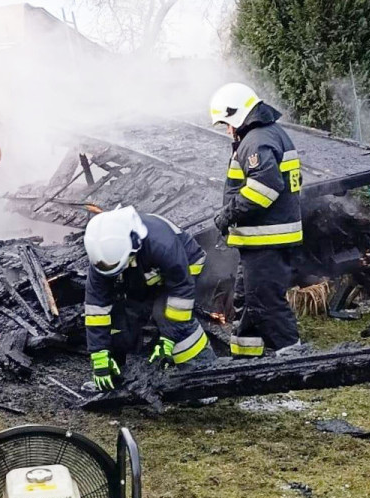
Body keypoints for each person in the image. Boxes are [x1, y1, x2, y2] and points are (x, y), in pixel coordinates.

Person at [211, 83, 303, 357]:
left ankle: (292, 357)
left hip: (267, 238)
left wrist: (227, 214)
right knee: (247, 299)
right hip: (262, 239)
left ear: (237, 114)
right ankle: (245, 356)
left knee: (265, 300)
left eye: (227, 123)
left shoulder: (256, 141)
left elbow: (264, 188)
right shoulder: (267, 135)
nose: (228, 130)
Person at [83, 206, 215, 391]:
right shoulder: (102, 256)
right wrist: (98, 354)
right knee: (121, 315)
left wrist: (169, 337)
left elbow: (181, 290)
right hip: (143, 272)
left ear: (134, 246)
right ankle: (118, 376)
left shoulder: (162, 243)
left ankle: (204, 377)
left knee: (166, 314)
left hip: (185, 268)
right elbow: (96, 308)